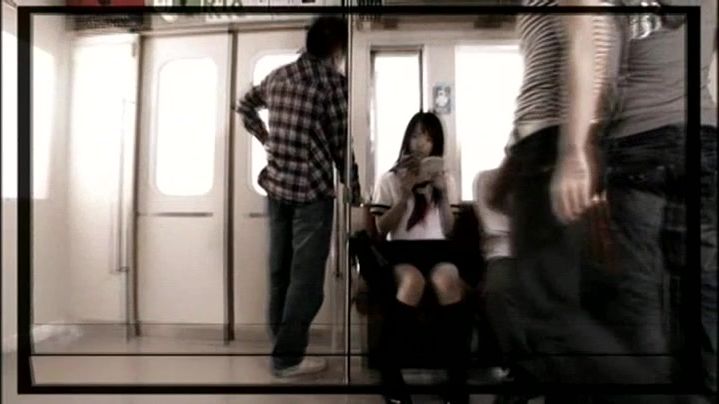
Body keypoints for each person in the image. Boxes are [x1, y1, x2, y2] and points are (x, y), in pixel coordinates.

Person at [551, 1, 717, 402]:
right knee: (706, 290)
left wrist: (574, 151)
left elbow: (587, 49)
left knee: (638, 296)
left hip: (637, 142)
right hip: (704, 139)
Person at [235, 16, 361, 379]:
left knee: (280, 271)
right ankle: (287, 358)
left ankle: (281, 344)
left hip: (276, 188)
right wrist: (352, 187)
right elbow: (341, 144)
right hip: (311, 195)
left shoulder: (278, 76)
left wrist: (266, 138)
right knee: (306, 282)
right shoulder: (333, 84)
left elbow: (245, 106)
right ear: (337, 49)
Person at [369, 111, 470, 404]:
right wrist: (403, 195)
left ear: (436, 143)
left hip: (438, 249)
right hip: (402, 250)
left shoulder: (446, 179)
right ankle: (391, 373)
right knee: (412, 282)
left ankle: (457, 378)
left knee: (447, 282)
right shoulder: (389, 179)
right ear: (406, 139)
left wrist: (442, 194)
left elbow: (449, 230)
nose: (420, 144)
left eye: (428, 138)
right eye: (415, 136)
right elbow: (381, 228)